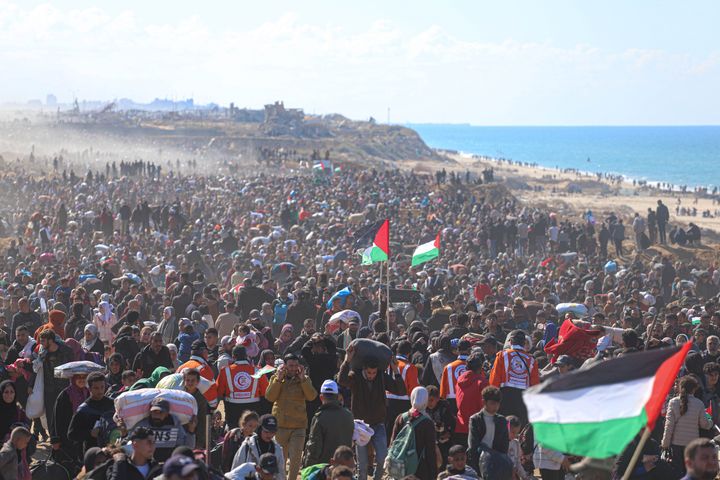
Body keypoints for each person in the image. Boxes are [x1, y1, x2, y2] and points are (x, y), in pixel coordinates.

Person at [337, 343, 406, 480]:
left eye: (374, 372)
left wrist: (396, 370)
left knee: (382, 459)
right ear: (364, 369)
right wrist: (347, 360)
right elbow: (342, 380)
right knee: (362, 466)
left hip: (378, 424)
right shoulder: (355, 376)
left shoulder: (381, 377)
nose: (372, 375)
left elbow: (401, 390)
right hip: (360, 426)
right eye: (369, 372)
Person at [265, 353, 317, 480]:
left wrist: (303, 379)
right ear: (284, 366)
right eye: (290, 365)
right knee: (280, 459)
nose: (293, 368)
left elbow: (312, 396)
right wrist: (278, 379)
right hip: (280, 426)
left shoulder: (305, 379)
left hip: (298, 426)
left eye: (295, 365)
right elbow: (269, 397)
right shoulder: (276, 378)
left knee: (295, 458)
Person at [661, 375, 713, 473]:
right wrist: (711, 421)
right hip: (692, 445)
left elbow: (669, 425)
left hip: (676, 444)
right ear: (694, 389)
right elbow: (704, 425)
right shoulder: (699, 404)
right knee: (691, 471)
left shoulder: (673, 402)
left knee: (677, 472)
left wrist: (665, 443)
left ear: (680, 387)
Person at [488, 330, 539, 425]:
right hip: (523, 399)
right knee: (519, 428)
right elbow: (535, 385)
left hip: (505, 397)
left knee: (503, 429)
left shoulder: (502, 355)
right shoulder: (531, 360)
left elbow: (494, 380)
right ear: (524, 343)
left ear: (510, 342)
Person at [389, 386, 438, 480]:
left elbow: (392, 443)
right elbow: (430, 452)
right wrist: (433, 474)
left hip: (400, 465)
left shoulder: (401, 418)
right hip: (420, 469)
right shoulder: (427, 422)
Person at [303, 380, 354, 468]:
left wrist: (308, 467)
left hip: (324, 469)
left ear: (321, 397)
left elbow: (314, 446)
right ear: (337, 396)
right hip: (344, 468)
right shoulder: (348, 415)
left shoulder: (319, 417)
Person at [216, 345, 269, 429]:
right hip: (253, 409)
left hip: (232, 410)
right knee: (251, 436)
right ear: (246, 356)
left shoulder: (225, 371)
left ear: (233, 357)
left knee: (234, 435)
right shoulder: (258, 370)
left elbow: (219, 392)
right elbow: (265, 392)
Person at [128, 398, 195, 462]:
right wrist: (123, 433)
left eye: (160, 412)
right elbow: (129, 445)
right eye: (154, 412)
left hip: (169, 464)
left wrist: (191, 430)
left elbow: (188, 447)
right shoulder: (142, 425)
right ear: (150, 412)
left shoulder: (175, 425)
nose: (157, 415)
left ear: (167, 414)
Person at [68, 372, 115, 457]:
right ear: (89, 389)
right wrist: (90, 433)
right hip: (93, 454)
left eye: (102, 387)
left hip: (112, 450)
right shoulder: (84, 409)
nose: (100, 391)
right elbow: (72, 434)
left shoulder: (112, 404)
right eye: (96, 388)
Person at [467, 386, 510, 476]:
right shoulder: (475, 419)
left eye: (498, 404)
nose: (496, 406)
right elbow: (473, 444)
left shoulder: (502, 420)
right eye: (492, 403)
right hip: (478, 460)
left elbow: (505, 444)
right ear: (484, 402)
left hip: (497, 462)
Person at [231, 414, 286, 480]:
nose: (270, 435)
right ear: (260, 429)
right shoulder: (247, 446)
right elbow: (235, 472)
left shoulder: (277, 449)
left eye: (273, 432)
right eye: (266, 431)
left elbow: (281, 475)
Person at [385, 341, 420, 441]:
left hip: (388, 401)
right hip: (403, 403)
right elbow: (413, 389)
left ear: (397, 350)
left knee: (389, 431)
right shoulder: (410, 367)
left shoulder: (388, 364)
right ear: (409, 353)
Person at [53, 372, 89, 462]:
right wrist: (56, 439)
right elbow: (57, 419)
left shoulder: (88, 392)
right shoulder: (65, 395)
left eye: (84, 377)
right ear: (73, 379)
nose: (81, 380)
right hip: (67, 437)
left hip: (83, 435)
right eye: (78, 377)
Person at [455, 351, 488, 448]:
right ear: (480, 367)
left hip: (460, 426)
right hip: (478, 428)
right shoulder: (482, 382)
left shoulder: (459, 381)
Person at [177, 340, 219, 409]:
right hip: (196, 408)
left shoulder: (181, 367)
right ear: (204, 352)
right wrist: (213, 408)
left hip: (179, 405)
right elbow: (211, 393)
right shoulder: (205, 369)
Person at [181, 369, 209, 449]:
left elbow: (202, 421)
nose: (190, 383)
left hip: (193, 435)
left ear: (197, 382)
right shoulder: (179, 395)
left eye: (193, 380)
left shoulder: (201, 399)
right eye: (187, 380)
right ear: (184, 381)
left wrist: (200, 443)